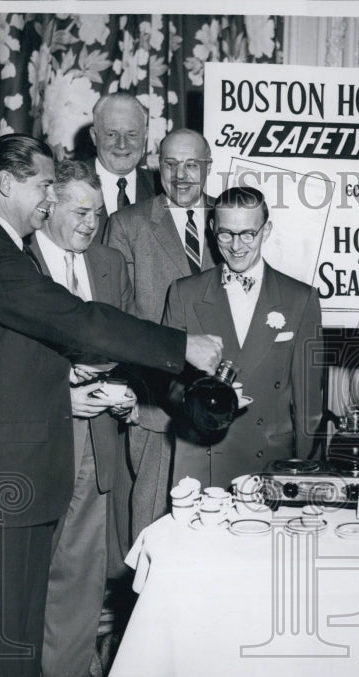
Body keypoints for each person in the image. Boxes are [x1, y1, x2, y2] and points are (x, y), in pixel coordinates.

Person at [0, 134, 223, 677]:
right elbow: (75, 317)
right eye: (42, 185)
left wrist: (65, 372)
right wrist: (179, 346)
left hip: (13, 479)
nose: (49, 198)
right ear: (7, 183)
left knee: (12, 645)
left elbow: (12, 350)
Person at [27, 159, 136, 677]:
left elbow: (126, 337)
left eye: (99, 212)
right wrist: (58, 387)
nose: (92, 223)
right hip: (36, 434)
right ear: (48, 206)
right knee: (30, 564)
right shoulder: (17, 261)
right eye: (80, 211)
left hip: (96, 434)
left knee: (82, 563)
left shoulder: (111, 263)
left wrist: (129, 389)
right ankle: (25, 675)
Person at [163, 186, 323, 487]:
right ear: (212, 230)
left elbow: (308, 405)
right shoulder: (184, 293)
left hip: (269, 463)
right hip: (202, 460)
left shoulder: (300, 299)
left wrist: (303, 474)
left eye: (248, 234)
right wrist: (200, 400)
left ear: (266, 230)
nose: (236, 246)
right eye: (226, 234)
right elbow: (168, 383)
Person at [105, 128, 217, 546]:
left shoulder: (232, 219)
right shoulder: (128, 225)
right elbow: (116, 319)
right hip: (157, 406)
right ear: (156, 166)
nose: (181, 175)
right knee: (153, 529)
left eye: (192, 164)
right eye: (170, 164)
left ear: (208, 165)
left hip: (225, 405)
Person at [87, 92, 158, 241]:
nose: (122, 145)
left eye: (132, 135)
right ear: (94, 136)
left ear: (145, 137)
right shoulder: (65, 185)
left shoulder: (161, 189)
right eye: (112, 134)